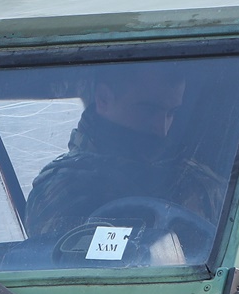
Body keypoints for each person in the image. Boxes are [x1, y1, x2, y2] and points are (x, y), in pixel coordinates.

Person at [26, 66, 226, 238]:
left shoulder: (200, 185)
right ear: (103, 99)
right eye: (148, 109)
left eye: (170, 113)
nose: (162, 128)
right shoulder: (60, 190)